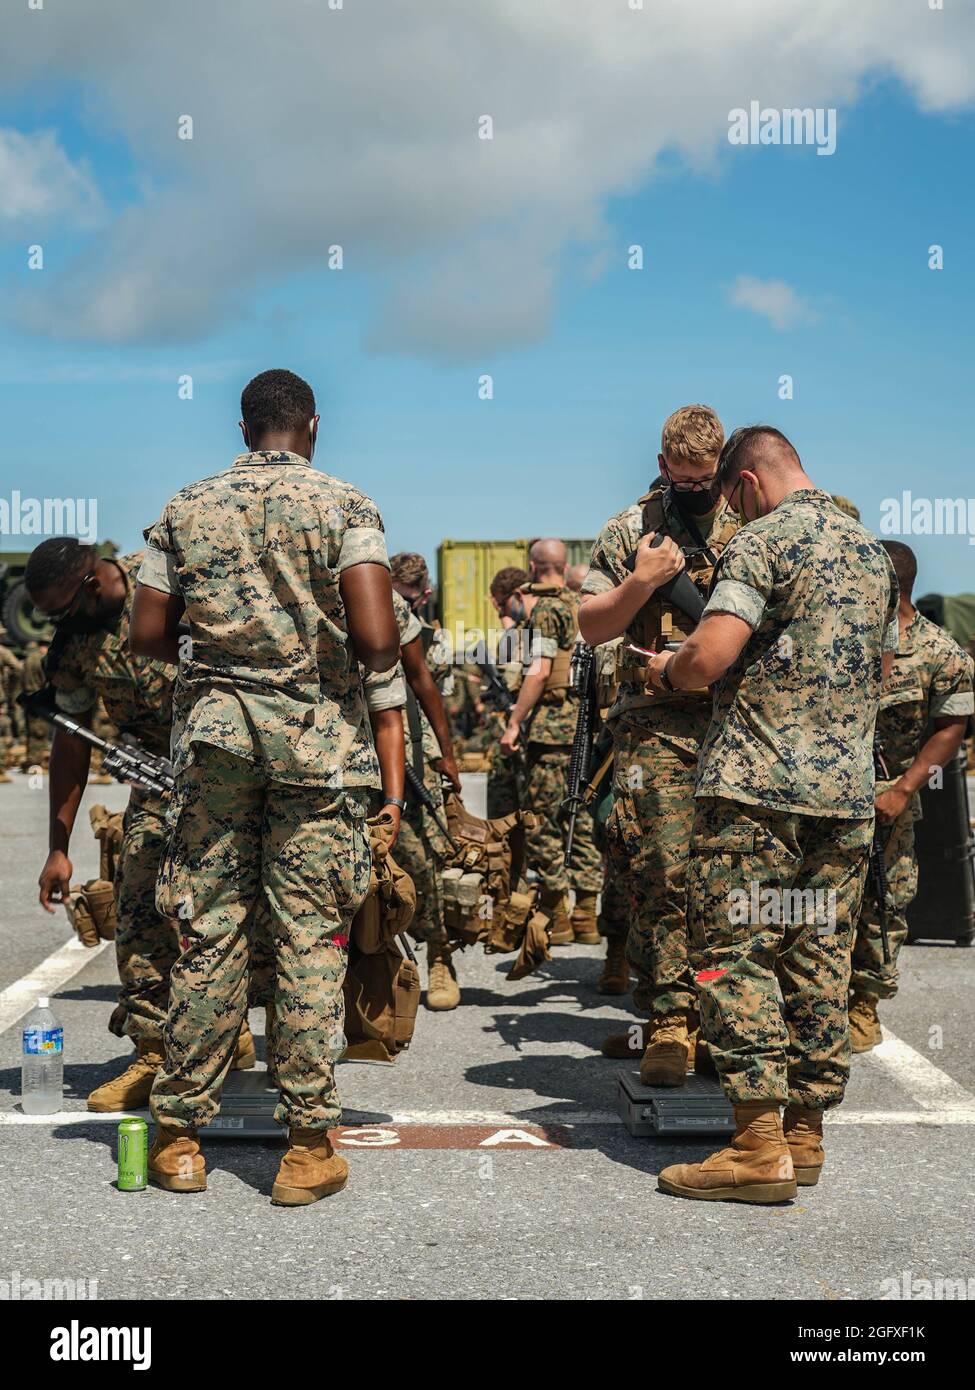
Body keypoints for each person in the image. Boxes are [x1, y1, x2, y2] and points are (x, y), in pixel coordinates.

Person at [130, 368, 399, 1206]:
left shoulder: (183, 506)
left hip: (215, 745)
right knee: (309, 939)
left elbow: (144, 632)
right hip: (315, 753)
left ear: (244, 426)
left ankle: (177, 1139)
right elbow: (376, 634)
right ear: (310, 424)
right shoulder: (345, 505)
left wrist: (220, 666)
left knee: (209, 933)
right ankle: (307, 1147)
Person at [644, 425, 898, 1203]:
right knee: (818, 952)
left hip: (755, 794)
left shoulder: (760, 542)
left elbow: (710, 655)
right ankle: (803, 1137)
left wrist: (667, 669)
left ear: (746, 484)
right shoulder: (870, 554)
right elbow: (882, 672)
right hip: (845, 796)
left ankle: (755, 1146)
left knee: (732, 953)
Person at [26, 539, 256, 1111]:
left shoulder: (171, 583)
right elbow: (70, 746)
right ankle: (153, 1052)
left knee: (240, 908)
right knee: (139, 909)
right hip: (156, 778)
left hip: (228, 764)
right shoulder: (76, 645)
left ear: (93, 582)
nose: (59, 625)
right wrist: (58, 847)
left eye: (63, 610)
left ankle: (235, 1028)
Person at [578, 405, 739, 1079]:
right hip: (655, 724)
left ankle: (728, 1019)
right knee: (662, 870)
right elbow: (589, 625)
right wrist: (640, 583)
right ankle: (670, 1020)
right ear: (662, 467)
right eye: (684, 478)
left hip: (737, 719)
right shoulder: (630, 528)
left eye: (707, 478)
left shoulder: (753, 523)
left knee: (734, 875)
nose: (696, 490)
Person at [849, 540, 973, 1050]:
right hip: (828, 795)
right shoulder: (843, 639)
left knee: (885, 900)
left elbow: (952, 726)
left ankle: (864, 1004)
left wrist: (903, 789)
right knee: (819, 904)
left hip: (889, 801)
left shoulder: (939, 651)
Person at [501, 539, 602, 944]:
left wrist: (514, 722)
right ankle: (587, 917)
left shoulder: (546, 610)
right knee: (581, 822)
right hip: (585, 730)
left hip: (550, 733)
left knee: (544, 823)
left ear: (533, 565)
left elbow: (540, 671)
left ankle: (558, 915)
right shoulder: (586, 603)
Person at [387, 553, 466, 1010]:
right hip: (359, 752)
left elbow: (432, 690)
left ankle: (440, 954)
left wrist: (447, 754)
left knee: (422, 857)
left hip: (416, 754)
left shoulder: (432, 640)